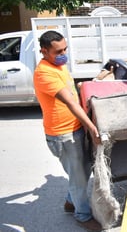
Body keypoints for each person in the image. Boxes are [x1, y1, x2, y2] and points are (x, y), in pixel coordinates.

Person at [33, 30, 103, 231]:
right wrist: (92, 128)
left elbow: (73, 91)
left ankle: (70, 201)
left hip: (75, 128)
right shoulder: (44, 72)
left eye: (65, 49)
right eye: (58, 51)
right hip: (62, 135)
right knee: (79, 177)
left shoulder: (59, 65)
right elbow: (71, 102)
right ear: (44, 51)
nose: (63, 54)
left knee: (85, 169)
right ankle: (82, 215)